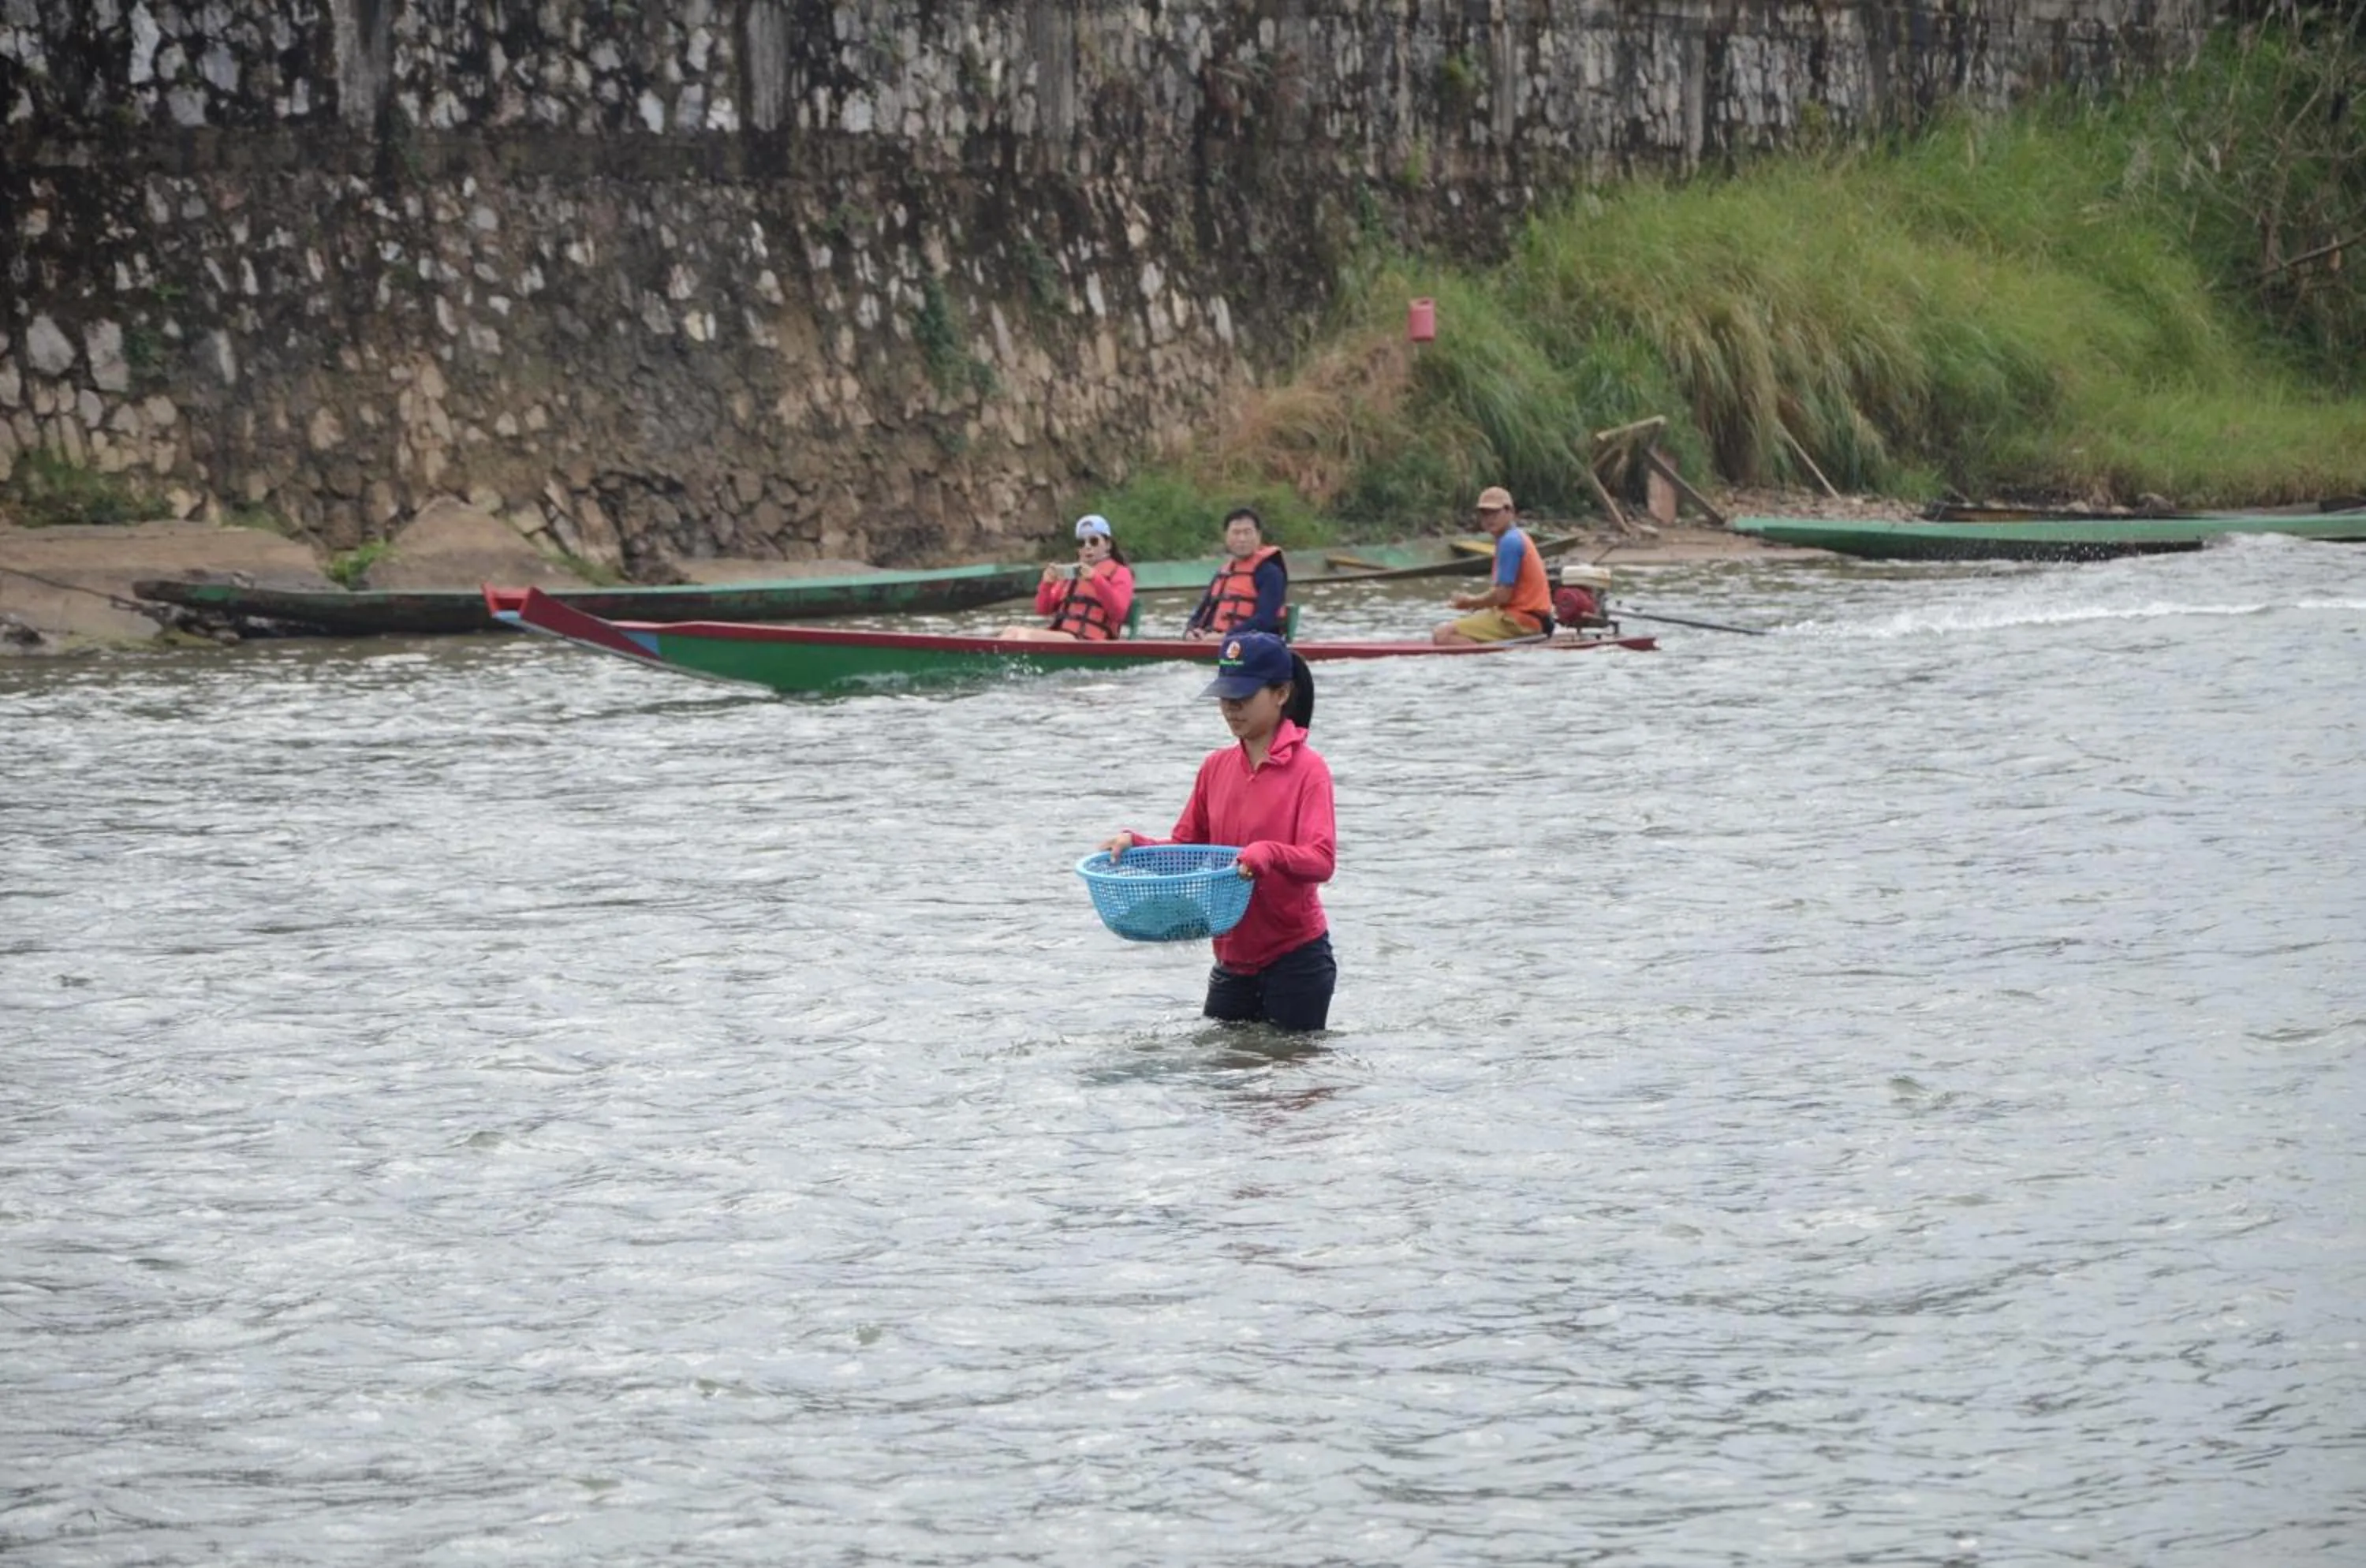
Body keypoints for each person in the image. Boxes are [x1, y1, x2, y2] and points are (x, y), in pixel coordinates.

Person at [1098, 631, 1336, 1032]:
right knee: (1222, 1081)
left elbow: (1322, 860)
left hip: (1296, 960)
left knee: (1291, 1085)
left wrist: (1269, 853)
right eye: (1226, 697)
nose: (1231, 708)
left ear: (1281, 693)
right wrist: (1137, 845)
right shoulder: (1214, 768)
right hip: (1232, 961)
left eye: (1243, 696)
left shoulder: (1309, 770)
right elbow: (1187, 850)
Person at [1433, 485, 1555, 644]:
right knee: (1452, 629)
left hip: (1521, 620)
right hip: (1528, 618)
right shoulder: (1514, 537)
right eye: (1484, 514)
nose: (1489, 519)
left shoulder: (1509, 542)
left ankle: (1484, 663)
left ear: (1510, 512)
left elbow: (1502, 595)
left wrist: (1470, 601)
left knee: (1444, 635)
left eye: (1495, 512)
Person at [999, 513, 1136, 641]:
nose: (1087, 547)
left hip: (1089, 642)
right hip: (1064, 637)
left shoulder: (1120, 572)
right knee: (1010, 631)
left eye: (1094, 541)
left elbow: (1118, 612)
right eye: (1081, 543)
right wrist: (1046, 585)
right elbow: (1043, 610)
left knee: (1021, 634)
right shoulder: (1071, 574)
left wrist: (1096, 579)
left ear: (1108, 544)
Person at [1183, 506, 1289, 640]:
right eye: (1236, 533)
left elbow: (1266, 620)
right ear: (1226, 536)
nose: (1242, 539)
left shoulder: (1271, 573)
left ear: (1258, 535)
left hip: (1255, 645)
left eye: (1247, 532)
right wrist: (1191, 631)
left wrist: (1227, 636)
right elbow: (1201, 613)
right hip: (1215, 643)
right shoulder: (1223, 573)